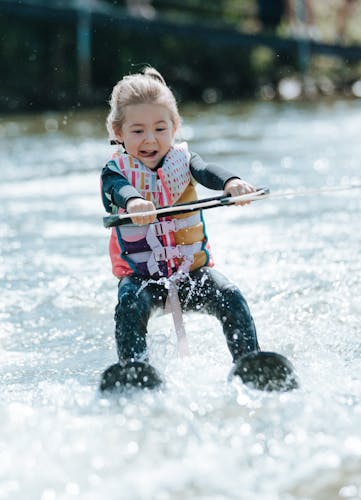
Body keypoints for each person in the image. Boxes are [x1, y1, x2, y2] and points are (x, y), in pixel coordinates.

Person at [99, 67, 263, 385]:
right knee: (130, 308)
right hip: (143, 280)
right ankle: (134, 372)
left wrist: (232, 183)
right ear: (118, 132)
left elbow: (207, 171)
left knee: (230, 296)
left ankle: (250, 364)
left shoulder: (183, 160)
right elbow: (120, 191)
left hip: (191, 275)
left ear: (174, 127)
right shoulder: (114, 172)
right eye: (138, 131)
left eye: (161, 128)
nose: (150, 139)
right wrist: (134, 204)